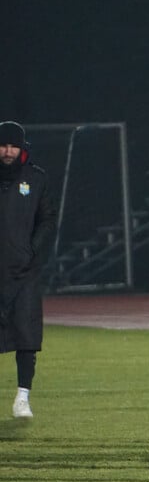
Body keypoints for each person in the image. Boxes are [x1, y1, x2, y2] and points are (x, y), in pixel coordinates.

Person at [0, 121, 56, 419]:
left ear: (22, 147)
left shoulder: (36, 178)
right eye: (3, 145)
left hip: (24, 272)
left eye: (13, 146)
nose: (7, 151)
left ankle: (22, 398)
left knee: (26, 335)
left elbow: (47, 219)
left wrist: (32, 249)